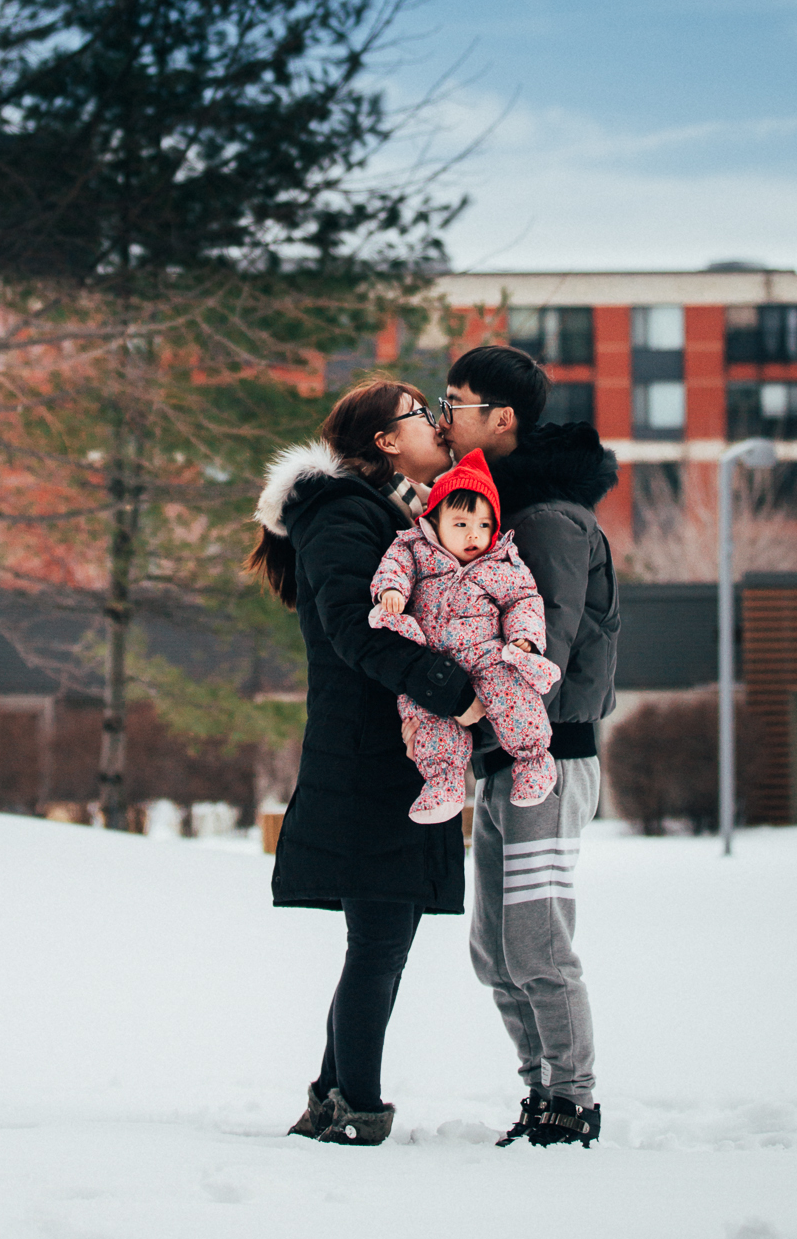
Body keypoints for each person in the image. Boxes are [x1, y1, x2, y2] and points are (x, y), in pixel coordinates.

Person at [247, 380, 479, 1147]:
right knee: (382, 933)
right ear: (384, 439)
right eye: (422, 415)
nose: (438, 425)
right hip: (371, 758)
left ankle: (332, 1097)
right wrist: (446, 686)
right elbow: (354, 626)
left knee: (382, 931)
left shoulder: (374, 510)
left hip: (388, 750)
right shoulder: (343, 514)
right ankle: (355, 1109)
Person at [434, 344, 619, 1152]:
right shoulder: (501, 512)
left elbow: (542, 646)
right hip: (507, 759)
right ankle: (540, 1090)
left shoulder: (545, 519)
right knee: (495, 948)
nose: (445, 419)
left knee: (537, 940)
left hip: (547, 757)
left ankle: (569, 1101)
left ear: (500, 420)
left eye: (456, 404)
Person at [368, 448, 559, 822]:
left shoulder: (502, 563)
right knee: (429, 719)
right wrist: (391, 591)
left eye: (485, 525)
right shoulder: (414, 549)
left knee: (515, 697)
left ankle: (534, 760)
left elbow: (524, 601)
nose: (474, 534)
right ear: (435, 521)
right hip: (434, 662)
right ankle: (444, 784)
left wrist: (524, 638)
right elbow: (394, 567)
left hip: (487, 657)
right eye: (461, 524)